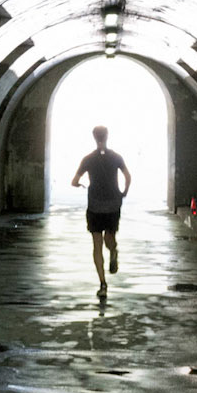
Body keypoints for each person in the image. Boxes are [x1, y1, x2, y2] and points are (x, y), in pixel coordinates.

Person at [70, 124, 131, 299]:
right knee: (109, 239)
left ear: (94, 137)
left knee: (96, 244)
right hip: (113, 204)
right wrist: (124, 192)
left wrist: (81, 185)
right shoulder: (116, 157)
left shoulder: (87, 159)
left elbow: (74, 181)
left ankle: (103, 284)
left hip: (95, 205)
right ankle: (113, 251)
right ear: (107, 136)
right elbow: (128, 176)